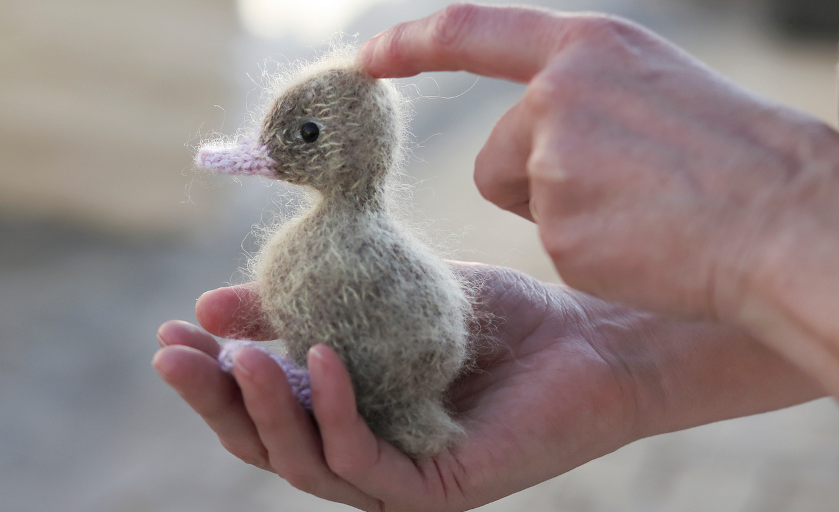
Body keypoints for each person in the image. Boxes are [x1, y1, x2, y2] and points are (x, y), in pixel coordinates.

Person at [153, 4, 839, 511]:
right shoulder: (339, 240)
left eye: (304, 135)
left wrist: (784, 215)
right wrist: (627, 361)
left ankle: (343, 389)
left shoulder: (334, 245)